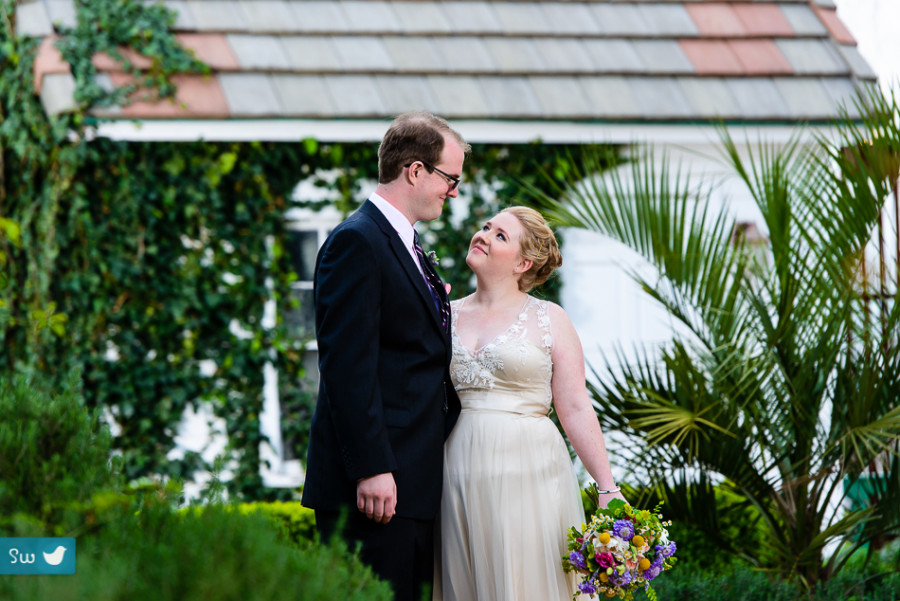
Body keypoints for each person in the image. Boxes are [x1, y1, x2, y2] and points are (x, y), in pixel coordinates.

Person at [301, 111, 467, 601]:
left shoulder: (402, 242)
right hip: (374, 488)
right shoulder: (357, 241)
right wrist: (372, 467)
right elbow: (346, 366)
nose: (453, 192)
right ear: (415, 171)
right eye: (450, 178)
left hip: (411, 480)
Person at [436, 206, 626, 601]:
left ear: (523, 262)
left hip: (529, 471)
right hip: (456, 471)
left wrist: (606, 486)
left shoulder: (549, 318)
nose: (483, 234)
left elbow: (574, 406)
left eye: (500, 235)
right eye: (486, 226)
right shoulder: (443, 314)